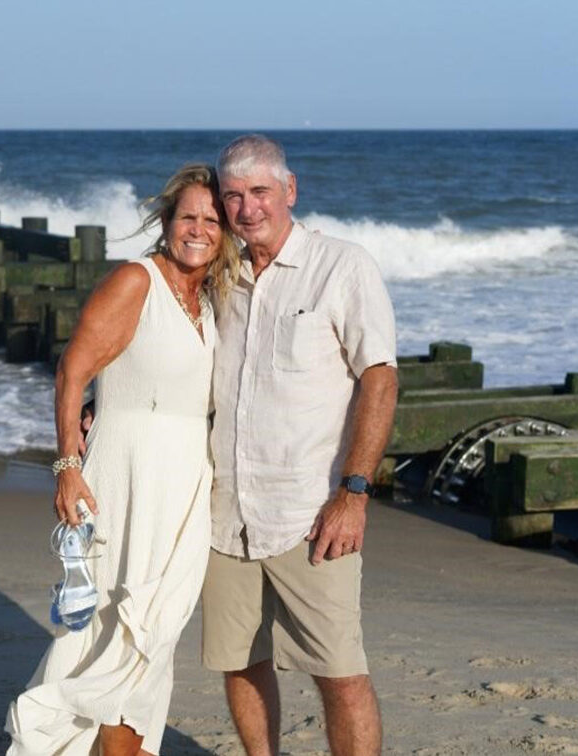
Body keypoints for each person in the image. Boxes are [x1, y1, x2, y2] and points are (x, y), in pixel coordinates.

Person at [5, 164, 241, 756]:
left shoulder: (211, 299)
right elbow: (72, 371)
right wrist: (67, 465)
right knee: (117, 633)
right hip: (126, 478)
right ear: (166, 222)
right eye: (188, 215)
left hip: (187, 485)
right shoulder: (137, 281)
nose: (199, 229)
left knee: (155, 635)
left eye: (212, 220)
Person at [203, 134, 398, 756]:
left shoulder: (342, 265)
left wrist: (355, 493)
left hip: (311, 514)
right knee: (240, 661)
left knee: (339, 672)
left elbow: (381, 378)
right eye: (232, 195)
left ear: (290, 190)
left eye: (260, 191)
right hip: (223, 515)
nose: (247, 208)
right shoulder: (218, 275)